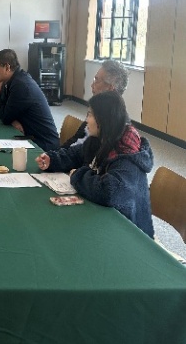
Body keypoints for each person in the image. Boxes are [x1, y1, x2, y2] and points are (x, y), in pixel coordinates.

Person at [35, 91, 154, 237]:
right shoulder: (102, 138)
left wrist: (77, 175)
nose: (86, 120)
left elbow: (108, 192)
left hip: (128, 231)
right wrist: (52, 160)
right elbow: (75, 154)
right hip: (104, 216)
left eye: (90, 115)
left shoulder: (127, 155)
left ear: (103, 120)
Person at [0, 49, 59, 151]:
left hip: (42, 144)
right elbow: (5, 110)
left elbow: (4, 117)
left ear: (7, 67)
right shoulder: (14, 80)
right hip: (29, 135)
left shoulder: (21, 85)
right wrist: (12, 120)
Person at [62, 60, 129, 148]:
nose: (92, 85)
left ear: (110, 88)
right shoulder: (97, 109)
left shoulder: (115, 125)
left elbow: (89, 153)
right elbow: (76, 138)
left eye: (97, 80)